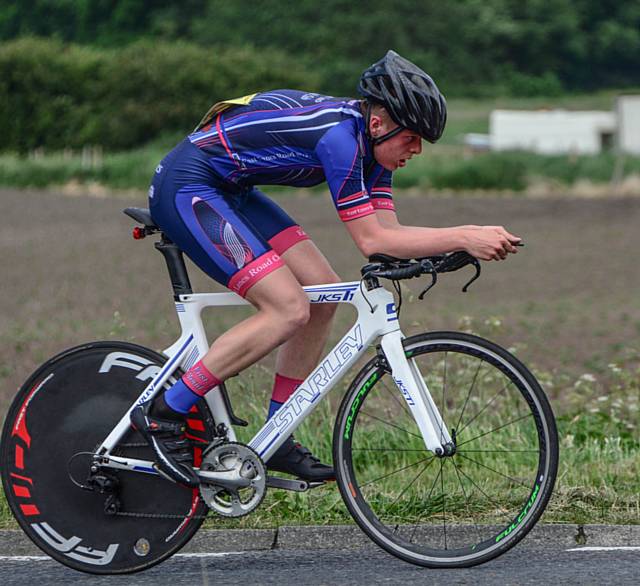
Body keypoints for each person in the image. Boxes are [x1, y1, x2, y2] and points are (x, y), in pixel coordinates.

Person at [131, 50, 521, 488]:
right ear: (379, 123)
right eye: (412, 137)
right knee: (287, 308)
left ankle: (277, 435)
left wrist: (450, 248)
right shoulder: (339, 138)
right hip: (190, 186)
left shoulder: (376, 154)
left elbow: (389, 234)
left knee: (323, 295)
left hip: (232, 189)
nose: (417, 149)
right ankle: (165, 411)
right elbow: (373, 241)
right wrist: (465, 234)